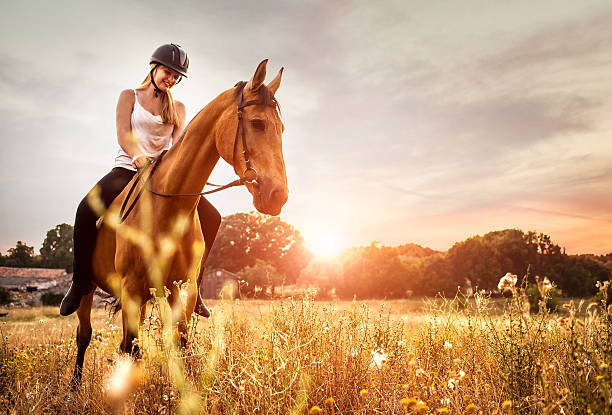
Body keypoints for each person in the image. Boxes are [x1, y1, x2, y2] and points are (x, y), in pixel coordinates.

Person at [60, 44, 220, 317]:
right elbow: (123, 133)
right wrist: (137, 156)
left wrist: (181, 173)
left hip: (162, 177)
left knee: (213, 216)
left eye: (176, 76)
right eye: (167, 72)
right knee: (85, 209)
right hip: (127, 169)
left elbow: (179, 146)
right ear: (154, 68)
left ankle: (196, 286)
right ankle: (79, 282)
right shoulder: (129, 96)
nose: (171, 79)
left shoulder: (178, 107)